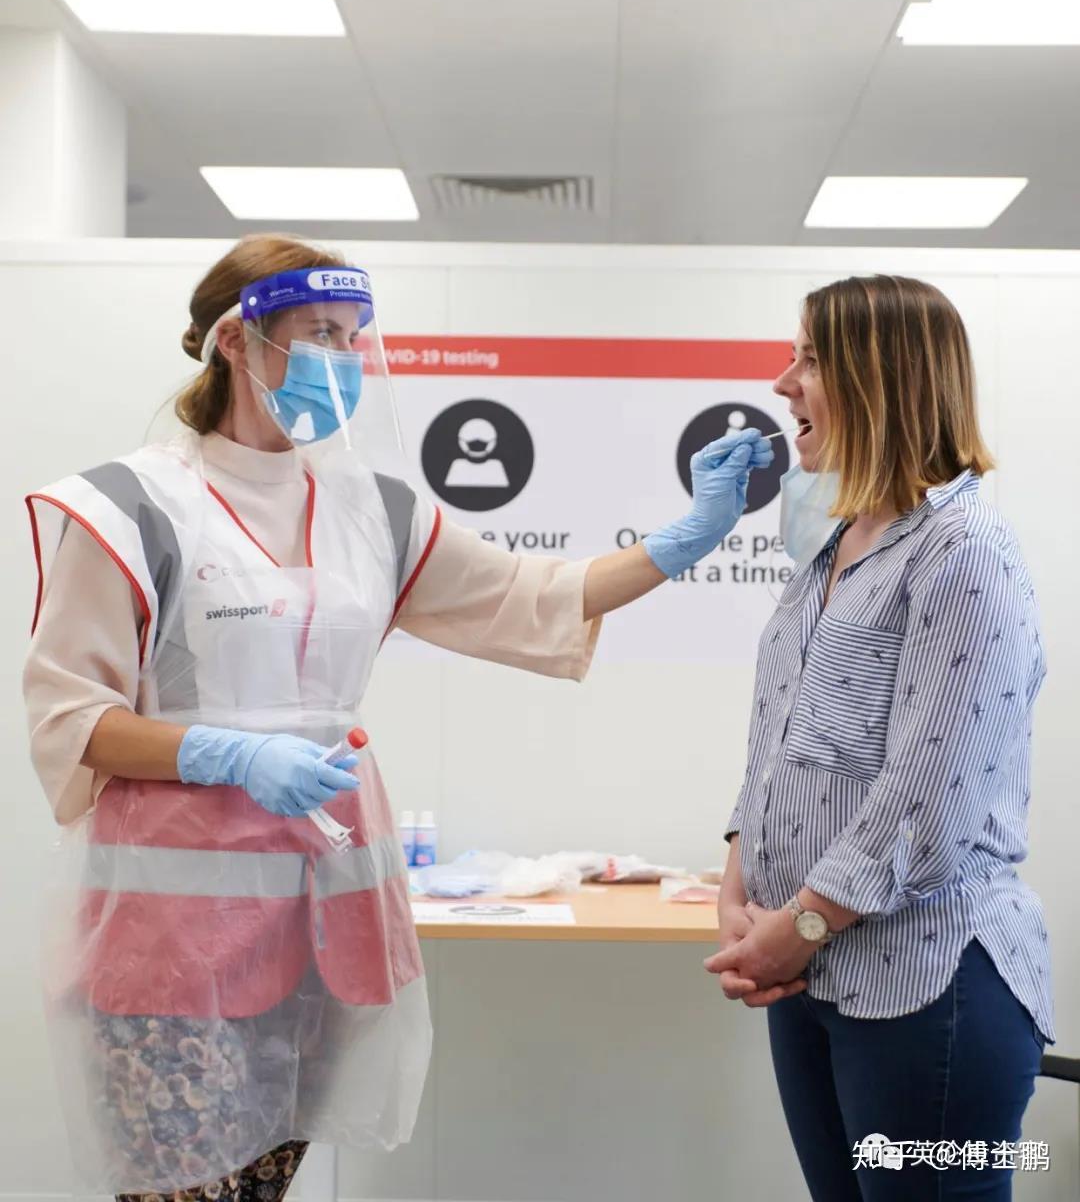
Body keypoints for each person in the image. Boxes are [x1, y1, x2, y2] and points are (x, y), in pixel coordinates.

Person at [23, 235, 772, 1202]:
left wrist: (685, 539)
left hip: (323, 928)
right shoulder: (128, 508)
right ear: (235, 343)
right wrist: (222, 754)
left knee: (265, 1186)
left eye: (353, 338)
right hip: (169, 938)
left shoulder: (371, 509)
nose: (342, 359)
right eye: (318, 334)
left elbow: (534, 595)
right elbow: (71, 721)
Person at [705, 275, 1052, 1201]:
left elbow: (930, 798)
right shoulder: (836, 547)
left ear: (881, 378)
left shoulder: (963, 551)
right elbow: (779, 742)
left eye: (811, 361)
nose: (783, 384)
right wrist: (739, 884)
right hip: (812, 972)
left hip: (930, 985)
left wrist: (799, 923)